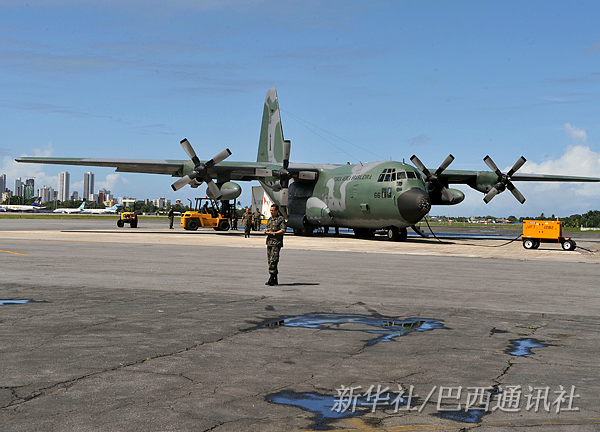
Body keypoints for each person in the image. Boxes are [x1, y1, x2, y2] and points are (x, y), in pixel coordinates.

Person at [264, 204, 286, 286]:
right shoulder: (270, 219)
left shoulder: (281, 219)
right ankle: (275, 279)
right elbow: (268, 228)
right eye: (270, 210)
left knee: (274, 260)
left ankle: (271, 278)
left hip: (276, 243)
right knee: (270, 261)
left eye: (273, 210)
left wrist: (273, 233)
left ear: (277, 211)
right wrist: (266, 231)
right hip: (269, 242)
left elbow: (283, 230)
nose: (271, 212)